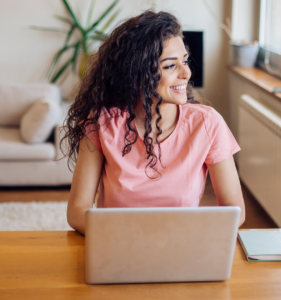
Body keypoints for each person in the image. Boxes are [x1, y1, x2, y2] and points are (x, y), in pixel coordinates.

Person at [62, 10, 245, 235]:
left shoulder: (207, 124)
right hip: (118, 248)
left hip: (181, 249)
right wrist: (128, 233)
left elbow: (235, 210)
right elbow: (77, 211)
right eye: (170, 66)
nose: (186, 72)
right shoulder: (102, 123)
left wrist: (192, 235)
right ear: (137, 72)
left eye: (185, 61)